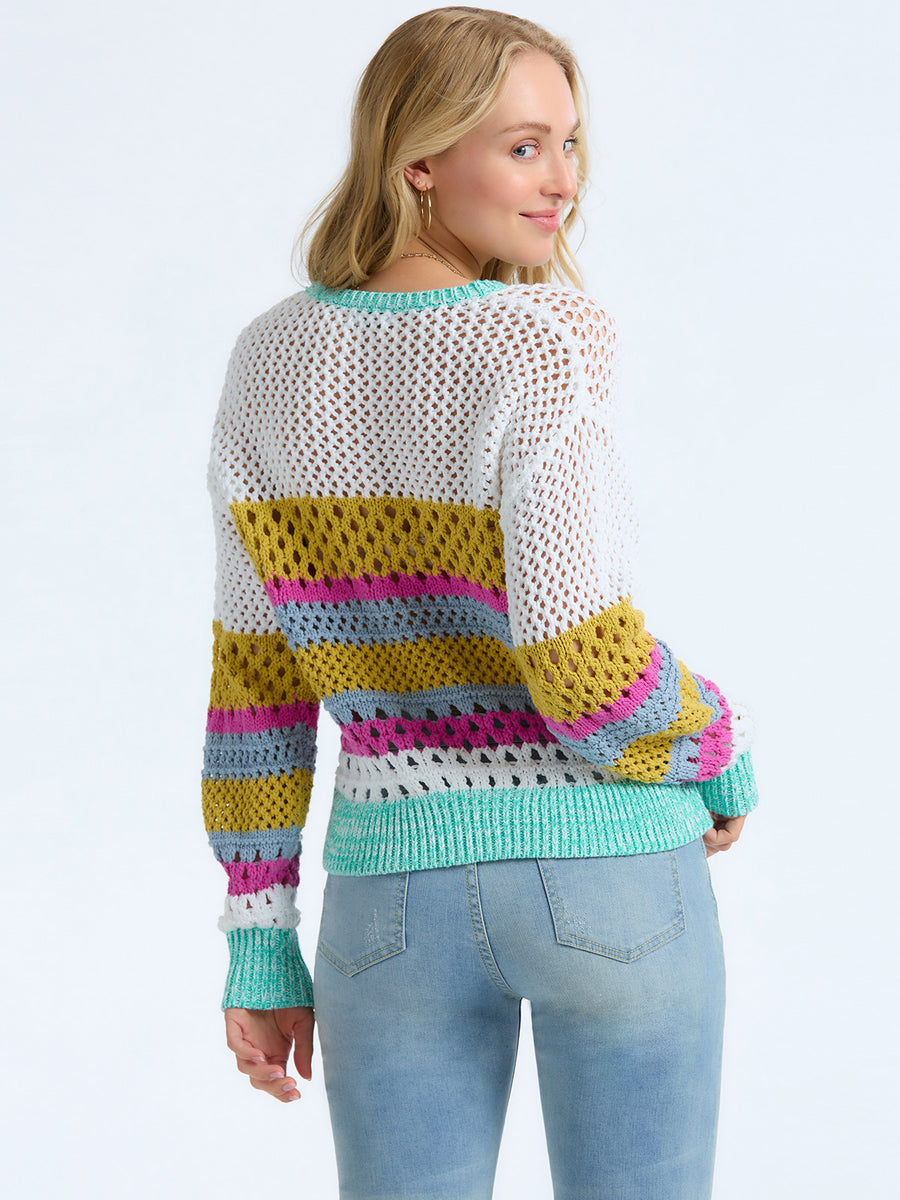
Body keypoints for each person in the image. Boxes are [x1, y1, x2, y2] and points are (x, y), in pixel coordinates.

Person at [202, 7, 758, 1198]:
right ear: (418, 161)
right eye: (522, 147)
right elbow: (587, 671)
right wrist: (719, 740)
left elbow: (255, 686)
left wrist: (259, 944)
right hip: (606, 874)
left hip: (387, 904)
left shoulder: (265, 360)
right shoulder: (540, 342)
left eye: (569, 142)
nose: (563, 180)